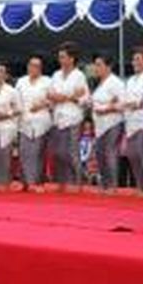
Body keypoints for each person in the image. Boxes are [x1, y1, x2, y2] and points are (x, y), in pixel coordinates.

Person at [48, 42, 90, 191]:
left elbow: (85, 99)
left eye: (63, 57)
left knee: (71, 152)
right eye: (59, 57)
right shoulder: (55, 75)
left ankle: (77, 183)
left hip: (73, 118)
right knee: (59, 153)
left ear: (72, 59)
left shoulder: (79, 76)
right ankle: (63, 182)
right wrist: (69, 96)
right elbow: (50, 95)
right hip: (58, 118)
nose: (60, 60)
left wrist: (65, 97)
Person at [16, 56, 53, 192]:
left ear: (41, 68)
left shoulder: (47, 81)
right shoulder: (21, 81)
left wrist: (43, 104)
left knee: (37, 153)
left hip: (41, 122)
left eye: (37, 66)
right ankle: (26, 182)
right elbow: (16, 100)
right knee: (24, 152)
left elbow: (53, 100)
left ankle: (36, 183)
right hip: (24, 121)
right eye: (31, 65)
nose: (33, 68)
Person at [90, 54, 125, 192]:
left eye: (99, 65)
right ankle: (105, 184)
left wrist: (106, 108)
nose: (96, 68)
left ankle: (113, 185)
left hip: (113, 122)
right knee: (100, 153)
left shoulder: (116, 82)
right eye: (95, 65)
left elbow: (122, 103)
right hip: (100, 125)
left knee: (110, 153)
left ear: (108, 66)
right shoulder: (99, 84)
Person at [122, 47, 143, 194]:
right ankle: (140, 186)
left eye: (138, 59)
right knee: (132, 155)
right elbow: (124, 99)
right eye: (134, 59)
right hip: (130, 121)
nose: (135, 62)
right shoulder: (130, 80)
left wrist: (136, 103)